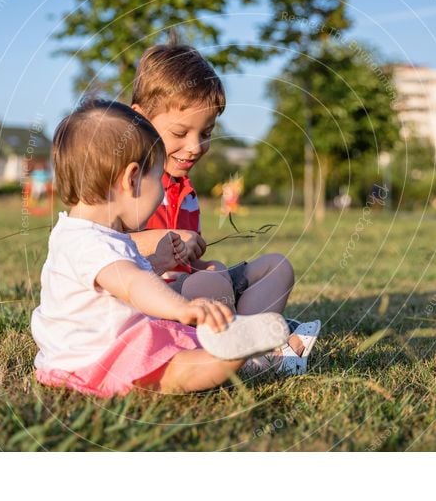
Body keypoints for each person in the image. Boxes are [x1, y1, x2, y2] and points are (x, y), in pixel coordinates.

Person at [30, 98, 291, 397]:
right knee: (178, 369)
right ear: (132, 179)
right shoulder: (90, 243)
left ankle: (237, 348)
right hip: (99, 362)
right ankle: (235, 355)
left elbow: (116, 282)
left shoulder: (85, 233)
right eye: (157, 177)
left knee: (175, 348)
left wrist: (157, 262)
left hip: (94, 352)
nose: (161, 189)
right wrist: (181, 307)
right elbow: (131, 283)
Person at [127, 41, 321, 373]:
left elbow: (189, 262)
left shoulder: (184, 190)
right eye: (180, 132)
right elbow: (106, 247)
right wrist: (174, 238)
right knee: (211, 285)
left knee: (276, 267)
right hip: (153, 299)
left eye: (205, 133)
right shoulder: (128, 183)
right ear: (140, 118)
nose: (194, 147)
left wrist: (204, 262)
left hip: (193, 292)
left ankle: (250, 345)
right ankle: (250, 354)